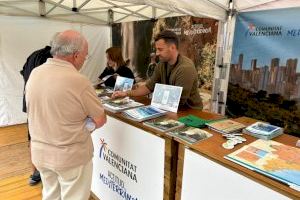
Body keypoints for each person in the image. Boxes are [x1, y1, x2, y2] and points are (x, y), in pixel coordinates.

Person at [25, 30, 106, 200]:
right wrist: (85, 126)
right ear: (75, 56)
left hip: (40, 154)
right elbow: (100, 119)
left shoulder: (35, 73)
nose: (85, 60)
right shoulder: (79, 80)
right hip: (70, 157)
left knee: (50, 195)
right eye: (85, 56)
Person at [112, 30, 203, 109]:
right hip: (171, 108)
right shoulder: (161, 64)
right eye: (156, 49)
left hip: (190, 112)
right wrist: (126, 93)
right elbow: (149, 87)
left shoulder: (185, 68)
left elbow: (177, 102)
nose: (157, 53)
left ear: (172, 48)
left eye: (160, 49)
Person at [20, 45, 52, 186]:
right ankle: (46, 171)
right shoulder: (49, 59)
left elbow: (23, 72)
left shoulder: (33, 54)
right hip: (44, 103)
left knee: (32, 137)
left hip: (30, 101)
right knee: (47, 136)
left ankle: (35, 173)